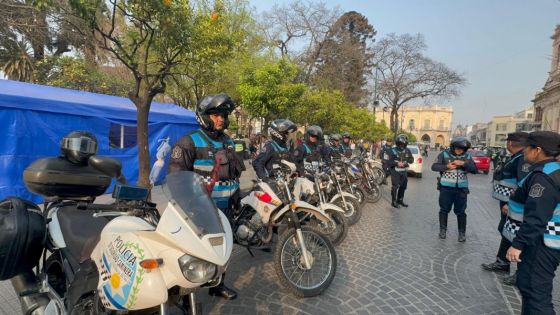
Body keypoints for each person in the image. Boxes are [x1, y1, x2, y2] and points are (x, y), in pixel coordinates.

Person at [168, 93, 244, 300]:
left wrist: (236, 196)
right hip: (200, 210)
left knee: (223, 249)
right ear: (203, 116)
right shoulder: (188, 142)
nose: (221, 119)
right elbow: (176, 180)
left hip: (225, 208)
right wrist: (190, 206)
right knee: (194, 252)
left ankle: (218, 284)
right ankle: (185, 295)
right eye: (215, 114)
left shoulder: (229, 141)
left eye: (224, 115)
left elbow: (234, 172)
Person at [503, 131, 560, 315]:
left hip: (541, 242)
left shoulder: (544, 176)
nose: (524, 151)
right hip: (545, 240)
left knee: (536, 294)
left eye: (527, 147)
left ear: (537, 150)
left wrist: (518, 244)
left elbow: (537, 216)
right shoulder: (551, 170)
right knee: (529, 289)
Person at [481, 132, 530, 285]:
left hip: (514, 205)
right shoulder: (517, 156)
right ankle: (502, 262)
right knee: (506, 231)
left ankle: (520, 273)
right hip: (508, 203)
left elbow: (523, 183)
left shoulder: (522, 159)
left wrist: (509, 203)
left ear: (510, 143)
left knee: (515, 234)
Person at [431, 137, 477, 242]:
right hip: (446, 188)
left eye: (462, 149)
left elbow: (474, 170)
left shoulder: (467, 156)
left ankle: (462, 233)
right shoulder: (444, 154)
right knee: (444, 210)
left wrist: (464, 164)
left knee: (461, 212)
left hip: (461, 189)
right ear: (453, 147)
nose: (460, 150)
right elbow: (434, 167)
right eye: (458, 148)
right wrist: (446, 166)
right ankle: (443, 230)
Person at [387, 134, 414, 208]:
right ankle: (394, 201)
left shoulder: (407, 150)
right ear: (397, 143)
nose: (402, 145)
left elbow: (411, 159)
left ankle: (400, 200)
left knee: (403, 187)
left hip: (404, 172)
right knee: (395, 187)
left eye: (403, 144)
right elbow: (388, 162)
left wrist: (406, 162)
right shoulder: (392, 150)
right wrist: (397, 163)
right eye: (400, 144)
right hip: (395, 171)